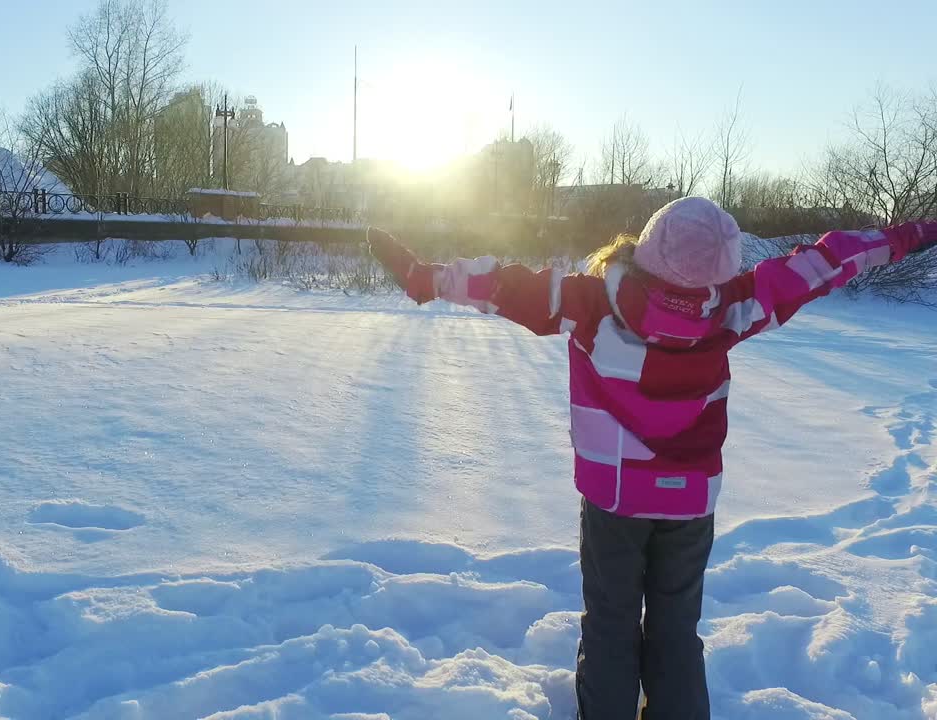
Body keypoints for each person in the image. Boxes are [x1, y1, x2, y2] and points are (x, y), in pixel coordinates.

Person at [366, 197, 937, 720]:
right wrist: (912, 233)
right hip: (690, 502)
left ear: (646, 246)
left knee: (611, 624)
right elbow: (825, 261)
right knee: (675, 629)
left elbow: (503, 286)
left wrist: (425, 278)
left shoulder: (590, 304)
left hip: (614, 499)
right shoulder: (734, 309)